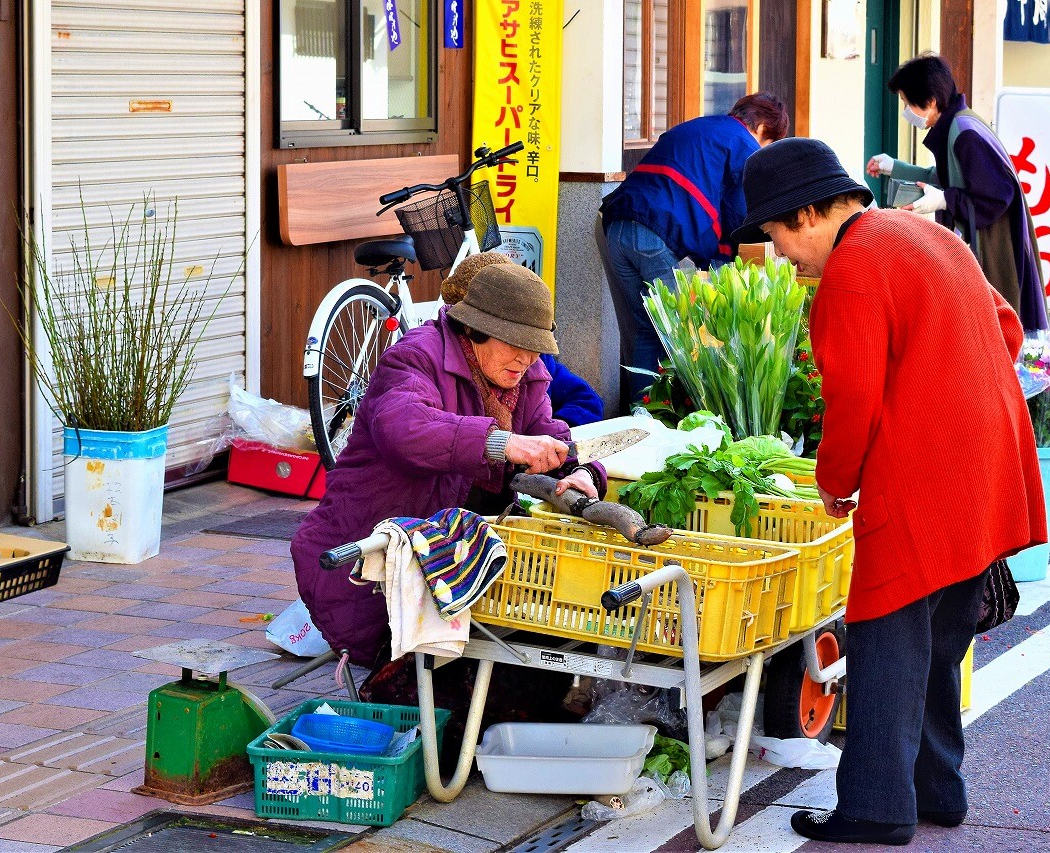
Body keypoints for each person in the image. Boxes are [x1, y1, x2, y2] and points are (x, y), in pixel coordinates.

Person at [731, 138, 1047, 846]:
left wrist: (835, 483)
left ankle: (876, 805)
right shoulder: (924, 233)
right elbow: (1006, 326)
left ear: (809, 213)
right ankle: (940, 790)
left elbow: (853, 401)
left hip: (922, 474)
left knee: (884, 639)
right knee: (938, 644)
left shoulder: (851, 270)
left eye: (779, 237)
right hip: (989, 462)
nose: (782, 256)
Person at [290, 263, 607, 667]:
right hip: (366, 566)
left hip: (447, 570)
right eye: (516, 344)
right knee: (423, 686)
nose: (527, 358)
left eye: (536, 346)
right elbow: (404, 428)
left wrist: (580, 472)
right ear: (474, 329)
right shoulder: (414, 357)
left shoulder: (526, 376)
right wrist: (503, 443)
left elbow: (551, 437)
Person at [599, 92, 789, 398]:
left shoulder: (696, 126)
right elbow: (737, 213)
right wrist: (723, 265)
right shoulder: (745, 144)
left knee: (649, 331)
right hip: (654, 234)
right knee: (677, 332)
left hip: (616, 228)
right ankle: (669, 419)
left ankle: (640, 416)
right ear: (765, 129)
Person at [867, 52, 1049, 331]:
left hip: (995, 247)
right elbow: (943, 177)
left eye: (907, 103)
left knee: (995, 328)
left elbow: (996, 197)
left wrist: (943, 200)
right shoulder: (958, 123)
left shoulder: (965, 134)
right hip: (986, 242)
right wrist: (894, 168)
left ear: (930, 101)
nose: (906, 112)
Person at [441, 252, 604, 427]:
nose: (524, 358)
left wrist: (549, 431)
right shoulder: (439, 360)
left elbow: (587, 400)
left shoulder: (538, 362)